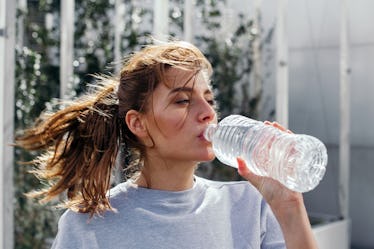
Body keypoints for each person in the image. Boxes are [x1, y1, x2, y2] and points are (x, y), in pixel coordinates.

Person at [16, 41, 318, 249]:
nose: (208, 113)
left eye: (209, 99)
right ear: (138, 124)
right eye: (183, 100)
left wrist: (289, 206)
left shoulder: (249, 207)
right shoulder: (88, 227)